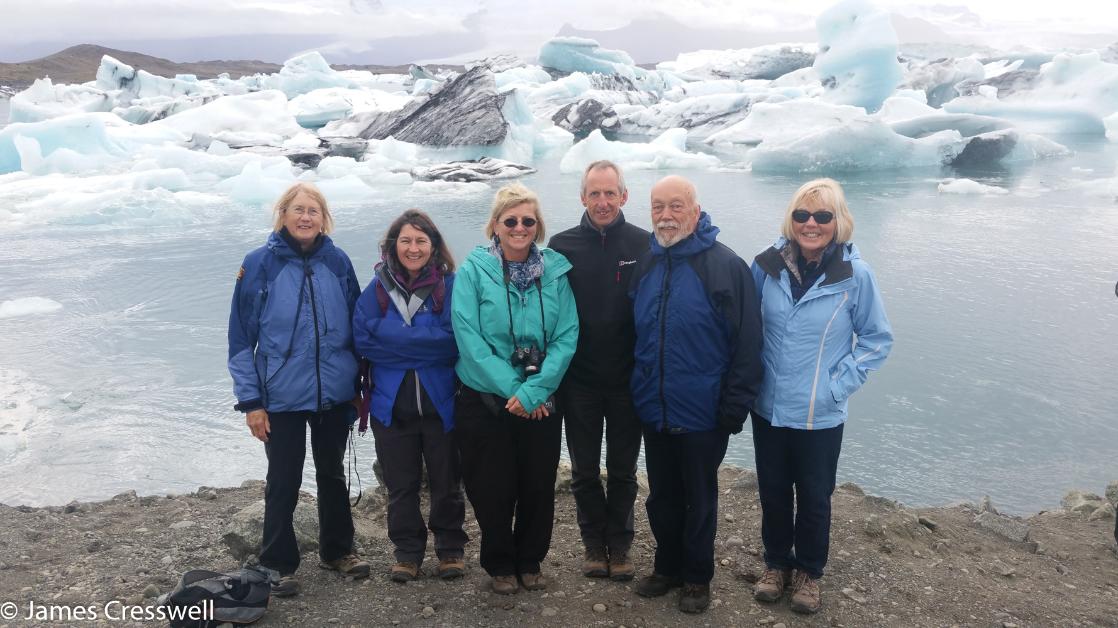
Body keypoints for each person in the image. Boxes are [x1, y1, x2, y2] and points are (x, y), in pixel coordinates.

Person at [749, 178, 893, 614]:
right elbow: (746, 327)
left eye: (823, 216)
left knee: (814, 494)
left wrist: (838, 386)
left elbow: (876, 339)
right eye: (802, 215)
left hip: (819, 411)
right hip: (769, 406)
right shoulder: (766, 266)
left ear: (838, 221)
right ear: (791, 220)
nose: (811, 224)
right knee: (773, 490)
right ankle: (776, 564)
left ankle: (809, 571)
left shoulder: (855, 275)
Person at [227, 182, 370, 598]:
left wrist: (360, 384)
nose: (306, 218)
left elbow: (357, 327)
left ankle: (338, 551)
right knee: (284, 478)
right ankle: (276, 562)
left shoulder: (338, 261)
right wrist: (251, 401)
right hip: (280, 396)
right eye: (298, 210)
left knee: (331, 473)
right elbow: (240, 338)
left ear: (324, 219)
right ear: (283, 215)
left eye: (314, 211)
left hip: (334, 393)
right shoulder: (259, 264)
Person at [629, 175, 764, 613]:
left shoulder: (724, 266)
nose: (665, 216)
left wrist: (732, 409)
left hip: (704, 411)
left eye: (675, 206)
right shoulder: (648, 263)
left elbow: (747, 344)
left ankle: (696, 577)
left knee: (699, 497)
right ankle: (667, 567)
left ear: (695, 209)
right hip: (656, 405)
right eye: (657, 207)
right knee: (661, 494)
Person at [451, 183, 579, 595]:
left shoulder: (556, 271)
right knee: (491, 486)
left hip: (540, 399)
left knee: (538, 486)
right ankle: (500, 562)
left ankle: (530, 560)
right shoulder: (473, 270)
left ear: (537, 226)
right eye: (511, 220)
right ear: (495, 225)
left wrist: (535, 391)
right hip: (486, 400)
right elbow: (469, 340)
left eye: (528, 220)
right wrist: (517, 391)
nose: (520, 227)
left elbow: (567, 335)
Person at [352, 209, 467, 583]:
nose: (413, 248)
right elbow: (363, 340)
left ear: (433, 246)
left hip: (441, 402)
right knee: (400, 486)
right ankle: (407, 553)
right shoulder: (378, 289)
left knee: (446, 483)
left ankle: (450, 550)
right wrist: (421, 345)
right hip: (391, 406)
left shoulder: (450, 287)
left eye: (420, 240)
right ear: (393, 245)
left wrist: (395, 341)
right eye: (406, 241)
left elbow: (454, 342)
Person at [548, 160, 649, 581]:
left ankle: (620, 545)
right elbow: (547, 310)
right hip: (581, 381)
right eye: (595, 193)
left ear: (624, 196)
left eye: (611, 193)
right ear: (582, 197)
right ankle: (594, 543)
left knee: (624, 470)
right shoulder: (561, 246)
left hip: (628, 380)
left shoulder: (644, 244)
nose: (603, 201)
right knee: (585, 470)